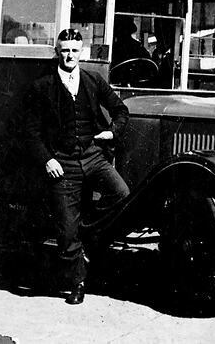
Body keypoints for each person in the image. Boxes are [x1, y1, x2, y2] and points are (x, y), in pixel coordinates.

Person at [24, 28, 130, 304]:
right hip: (63, 162)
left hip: (93, 156)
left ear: (81, 52)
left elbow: (120, 110)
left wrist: (112, 132)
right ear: (57, 52)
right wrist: (47, 159)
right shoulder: (42, 86)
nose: (69, 55)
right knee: (66, 231)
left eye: (74, 50)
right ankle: (77, 282)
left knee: (122, 194)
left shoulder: (94, 81)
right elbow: (30, 132)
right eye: (64, 50)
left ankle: (89, 234)